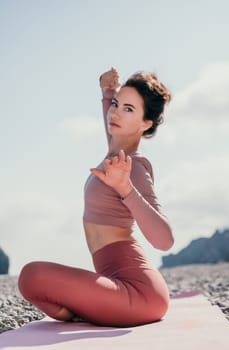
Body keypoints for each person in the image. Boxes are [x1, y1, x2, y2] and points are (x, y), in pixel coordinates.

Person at [18, 67, 174, 327]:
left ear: (146, 123)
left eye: (129, 109)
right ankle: (90, 310)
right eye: (116, 105)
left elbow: (165, 240)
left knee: (31, 276)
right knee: (31, 279)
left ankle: (87, 311)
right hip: (114, 281)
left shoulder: (132, 167)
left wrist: (126, 189)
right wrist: (107, 92)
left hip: (141, 293)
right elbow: (112, 122)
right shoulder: (114, 153)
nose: (115, 112)